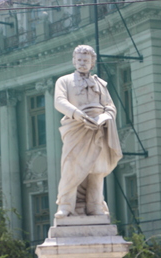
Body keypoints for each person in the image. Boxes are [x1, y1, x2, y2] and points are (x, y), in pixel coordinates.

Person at [54, 45, 123, 218]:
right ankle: (65, 205)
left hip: (98, 129)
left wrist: (106, 117)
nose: (82, 63)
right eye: (79, 60)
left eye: (86, 60)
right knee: (71, 167)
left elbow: (110, 106)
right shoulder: (64, 81)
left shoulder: (100, 84)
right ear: (73, 61)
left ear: (92, 63)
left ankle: (95, 206)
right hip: (76, 127)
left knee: (96, 169)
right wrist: (78, 114)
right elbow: (59, 101)